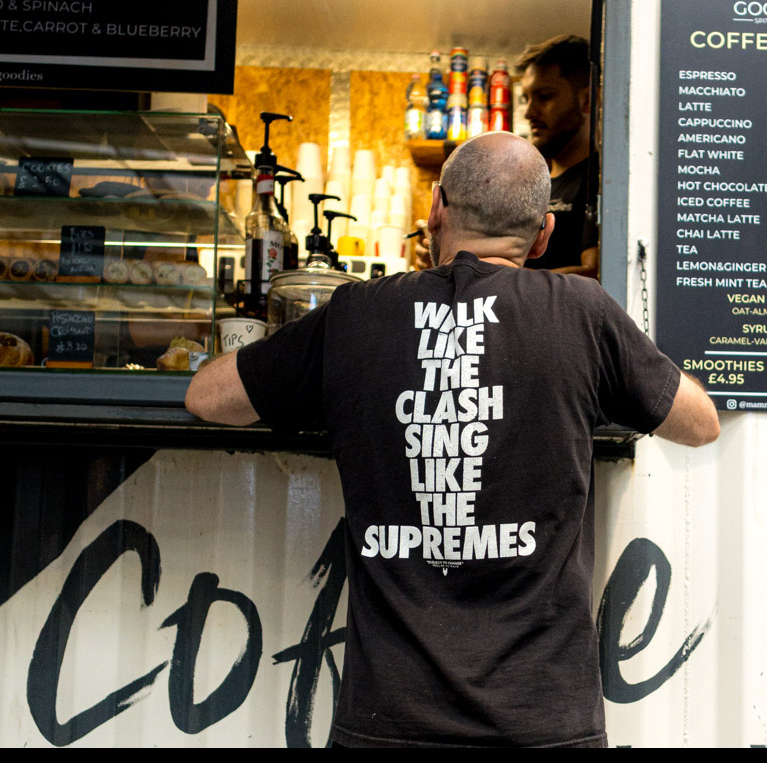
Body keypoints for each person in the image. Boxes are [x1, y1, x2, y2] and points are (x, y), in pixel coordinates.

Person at [186, 131, 719, 748]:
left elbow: (207, 397)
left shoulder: (356, 314)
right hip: (542, 722)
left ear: (436, 208)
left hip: (389, 723)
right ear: (543, 234)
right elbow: (699, 422)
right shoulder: (582, 312)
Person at [414, 34, 599, 278]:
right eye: (527, 99)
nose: (530, 112)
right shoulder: (532, 183)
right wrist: (444, 263)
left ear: (587, 99)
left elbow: (595, 273)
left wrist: (484, 277)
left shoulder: (599, 178)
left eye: (545, 97)